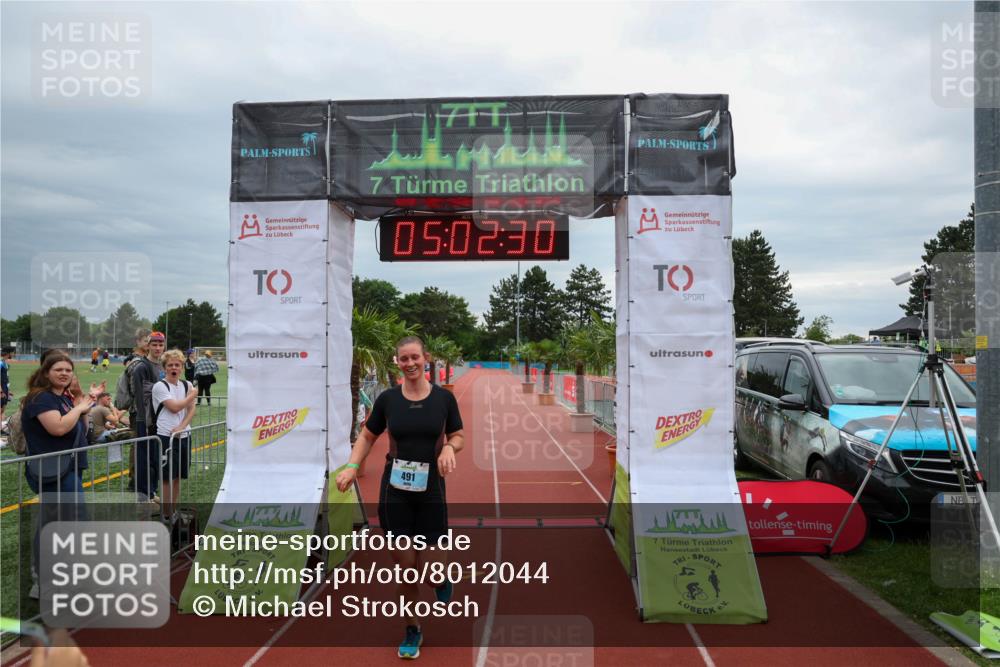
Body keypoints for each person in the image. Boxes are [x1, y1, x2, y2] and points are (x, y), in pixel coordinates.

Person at [335, 336, 464, 660]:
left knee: (432, 573)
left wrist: (449, 447)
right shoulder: (388, 400)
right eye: (403, 359)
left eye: (415, 358)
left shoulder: (443, 400)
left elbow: (458, 435)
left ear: (426, 358)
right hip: (396, 491)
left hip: (431, 489)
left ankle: (441, 578)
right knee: (406, 570)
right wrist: (352, 466)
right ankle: (412, 627)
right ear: (397, 362)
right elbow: (367, 435)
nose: (410, 364)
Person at [20, 352, 93, 596]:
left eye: (68, 370)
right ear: (45, 372)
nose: (64, 373)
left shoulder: (62, 397)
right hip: (52, 470)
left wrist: (82, 404)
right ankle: (42, 579)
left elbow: (79, 427)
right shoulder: (40, 398)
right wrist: (80, 407)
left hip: (68, 467)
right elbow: (59, 427)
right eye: (58, 369)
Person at [151, 349, 197, 519]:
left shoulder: (186, 385)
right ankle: (166, 513)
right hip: (165, 437)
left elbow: (192, 410)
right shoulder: (160, 386)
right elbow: (175, 407)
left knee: (177, 477)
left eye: (177, 365)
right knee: (166, 478)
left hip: (184, 436)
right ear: (164, 368)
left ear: (182, 367)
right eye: (170, 365)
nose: (174, 368)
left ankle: (173, 511)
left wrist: (182, 427)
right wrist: (192, 395)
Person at [131, 331, 166, 501]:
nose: (158, 348)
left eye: (160, 345)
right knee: (144, 460)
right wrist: (146, 421)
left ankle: (152, 491)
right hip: (146, 420)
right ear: (148, 346)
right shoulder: (142, 367)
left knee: (155, 458)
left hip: (159, 420)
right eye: (154, 344)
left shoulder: (162, 365)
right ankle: (144, 496)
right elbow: (142, 397)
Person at [1, 347, 12, 431]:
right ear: (8, 354)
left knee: (3, 409)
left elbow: (6, 377)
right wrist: (1, 391)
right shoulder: (0, 363)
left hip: (5, 387)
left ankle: (1, 429)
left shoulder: (5, 363)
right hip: (2, 388)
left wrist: (8, 390)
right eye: (11, 353)